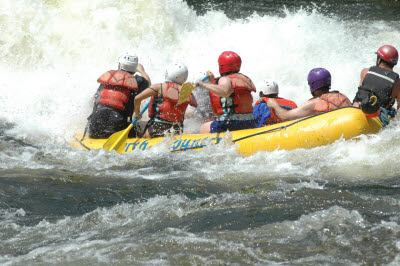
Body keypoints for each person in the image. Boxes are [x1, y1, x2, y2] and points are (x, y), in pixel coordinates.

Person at [87, 53, 151, 138]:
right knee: (144, 125)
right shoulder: (138, 81)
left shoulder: (108, 77)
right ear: (135, 68)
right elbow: (149, 84)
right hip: (118, 130)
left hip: (93, 128)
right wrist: (142, 71)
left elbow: (93, 100)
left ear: (119, 65)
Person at [132, 62, 197, 138]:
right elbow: (195, 104)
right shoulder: (187, 92)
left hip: (156, 129)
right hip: (176, 130)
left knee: (138, 126)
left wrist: (137, 113)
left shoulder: (159, 87)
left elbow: (137, 98)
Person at [197, 51, 257, 134]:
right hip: (250, 122)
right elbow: (230, 88)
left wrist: (203, 84)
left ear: (222, 66)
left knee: (204, 127)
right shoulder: (245, 79)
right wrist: (213, 80)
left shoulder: (225, 79)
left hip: (230, 124)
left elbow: (225, 91)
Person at [267, 68, 352, 121]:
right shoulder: (343, 97)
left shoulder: (314, 103)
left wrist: (274, 105)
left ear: (312, 85)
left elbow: (285, 116)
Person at [353, 45, 400, 125]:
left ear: (379, 60)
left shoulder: (365, 71)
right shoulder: (397, 83)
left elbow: (362, 92)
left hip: (356, 109)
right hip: (377, 117)